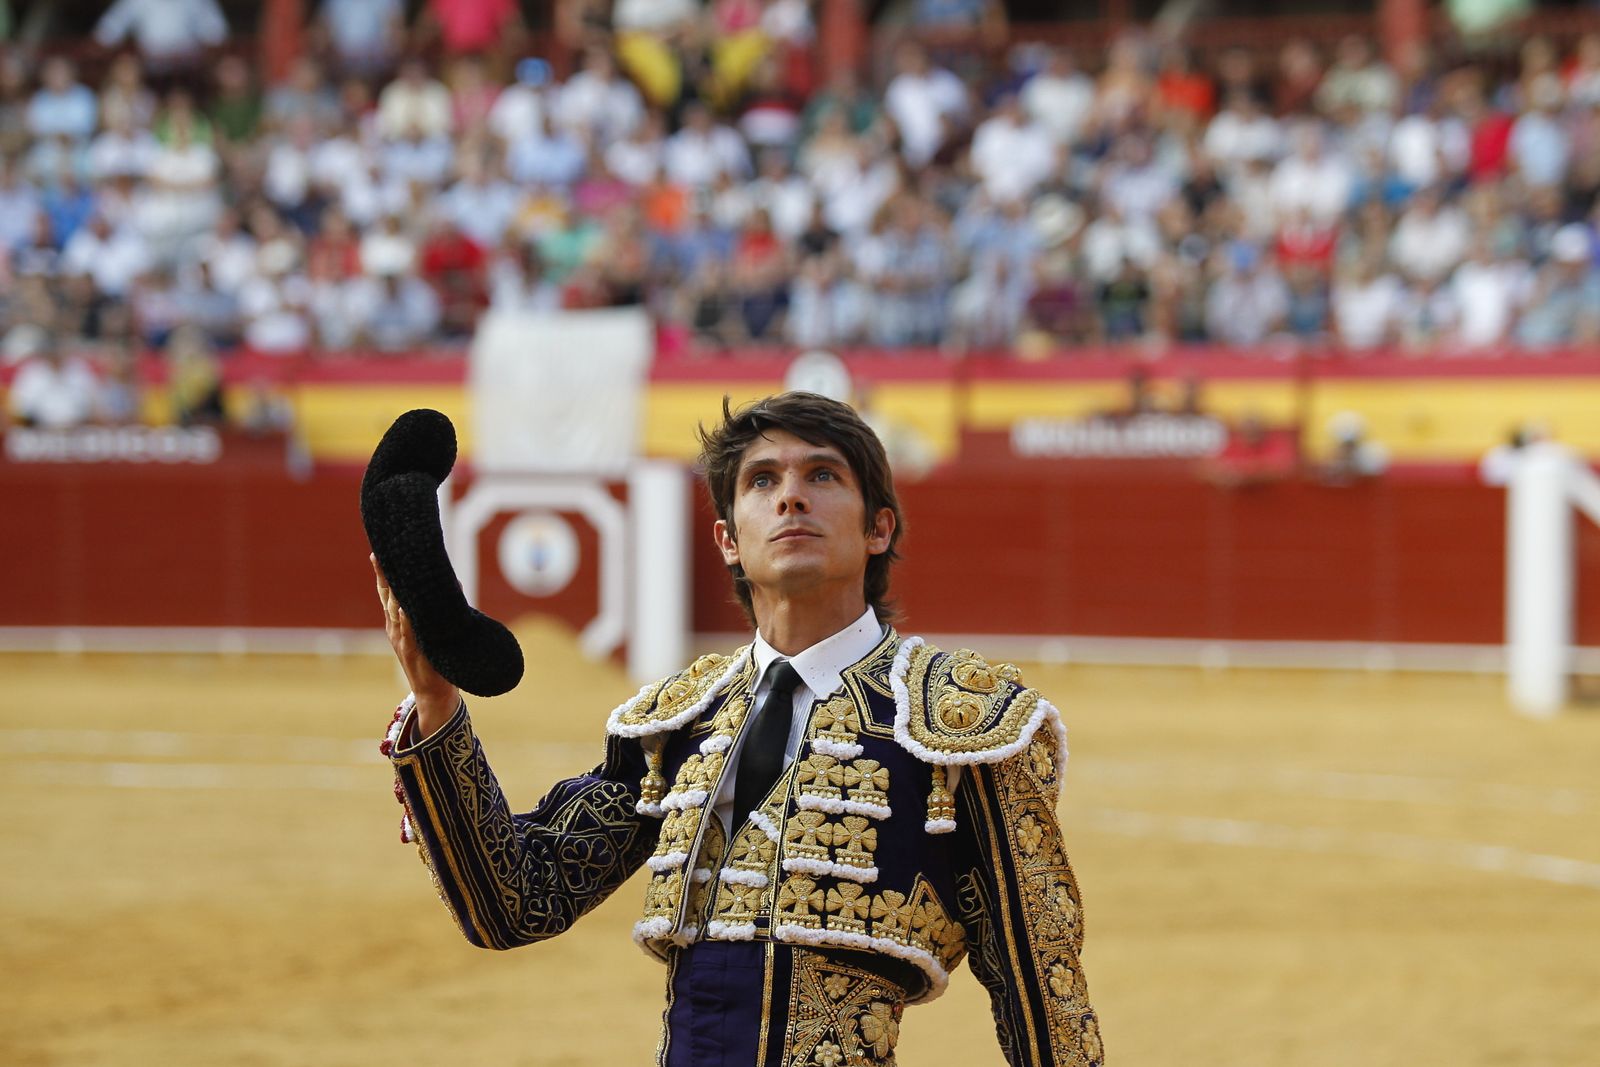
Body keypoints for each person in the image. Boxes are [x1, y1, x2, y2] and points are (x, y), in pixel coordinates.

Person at [372, 392, 1103, 1065]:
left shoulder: (957, 721)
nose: (790, 494)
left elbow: (1042, 993)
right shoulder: (677, 722)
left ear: (879, 526)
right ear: (727, 538)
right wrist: (437, 707)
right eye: (760, 480)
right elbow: (516, 899)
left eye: (822, 475)